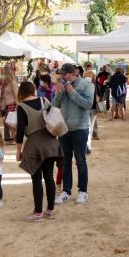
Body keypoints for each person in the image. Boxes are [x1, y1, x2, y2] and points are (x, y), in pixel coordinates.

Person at [16, 80, 62, 221]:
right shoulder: (45, 100)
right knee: (49, 176)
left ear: (21, 92)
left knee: (36, 179)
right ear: (33, 89)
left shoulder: (21, 107)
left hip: (34, 145)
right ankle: (50, 210)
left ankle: (38, 213)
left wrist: (18, 150)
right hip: (51, 142)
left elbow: (20, 132)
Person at [53, 63, 94, 205]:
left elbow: (88, 104)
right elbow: (55, 106)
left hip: (80, 128)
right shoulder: (62, 85)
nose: (62, 77)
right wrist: (58, 93)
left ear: (72, 73)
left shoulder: (86, 85)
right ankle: (66, 191)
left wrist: (72, 92)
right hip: (64, 129)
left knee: (80, 160)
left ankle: (83, 191)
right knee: (65, 161)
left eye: (64, 75)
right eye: (61, 75)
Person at [0, 64, 19, 143]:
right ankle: (13, 138)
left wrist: (17, 105)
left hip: (12, 104)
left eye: (4, 74)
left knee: (11, 123)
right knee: (8, 123)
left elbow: (16, 94)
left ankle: (14, 138)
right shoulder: (6, 83)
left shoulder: (13, 82)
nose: (3, 75)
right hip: (7, 105)